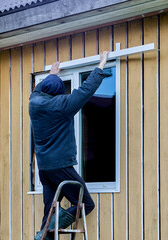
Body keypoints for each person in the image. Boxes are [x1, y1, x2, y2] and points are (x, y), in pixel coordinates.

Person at [29, 51, 109, 240]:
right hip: (61, 167)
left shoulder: (33, 102)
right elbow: (85, 91)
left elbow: (39, 89)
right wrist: (101, 64)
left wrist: (52, 74)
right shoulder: (61, 106)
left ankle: (44, 235)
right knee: (86, 204)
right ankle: (46, 231)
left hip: (44, 170)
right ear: (57, 93)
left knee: (49, 209)